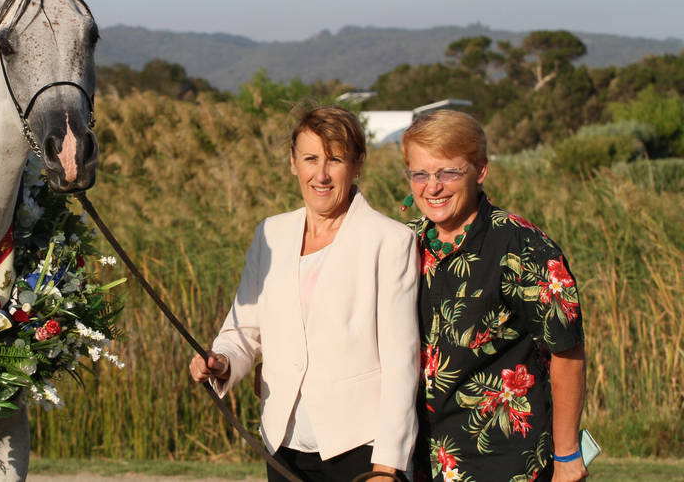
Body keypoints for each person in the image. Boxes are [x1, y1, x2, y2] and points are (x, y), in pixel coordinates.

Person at [190, 106, 419, 481]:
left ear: (358, 164)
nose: (321, 175)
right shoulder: (270, 234)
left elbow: (401, 363)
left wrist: (387, 465)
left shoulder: (391, 240)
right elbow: (243, 330)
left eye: (335, 160)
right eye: (310, 159)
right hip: (283, 444)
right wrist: (222, 360)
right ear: (293, 163)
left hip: (360, 446)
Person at [401, 110, 587, 482]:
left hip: (505, 463)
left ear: (481, 170)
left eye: (448, 173)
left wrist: (567, 455)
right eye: (420, 174)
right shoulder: (403, 245)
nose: (432, 187)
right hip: (418, 462)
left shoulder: (523, 247)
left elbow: (567, 352)